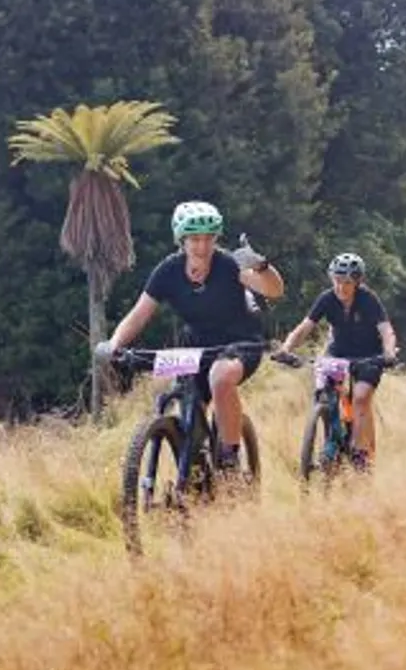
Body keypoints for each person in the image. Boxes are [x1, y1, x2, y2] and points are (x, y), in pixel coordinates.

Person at [97, 201, 284, 469]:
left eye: (209, 238)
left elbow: (274, 290)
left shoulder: (229, 264)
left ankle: (230, 457)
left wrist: (262, 266)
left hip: (240, 342)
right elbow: (139, 314)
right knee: (187, 400)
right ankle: (194, 466)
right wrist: (114, 344)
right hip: (196, 346)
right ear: (181, 240)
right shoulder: (168, 270)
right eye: (195, 239)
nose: (202, 246)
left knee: (220, 379)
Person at [277, 251, 399, 467]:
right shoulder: (327, 298)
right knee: (326, 392)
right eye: (337, 280)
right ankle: (332, 437)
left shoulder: (368, 299)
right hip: (337, 353)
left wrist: (389, 353)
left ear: (358, 282)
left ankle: (361, 455)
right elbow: (305, 327)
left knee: (360, 397)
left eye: (347, 282)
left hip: (369, 357)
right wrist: (286, 348)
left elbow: (386, 329)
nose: (341, 287)